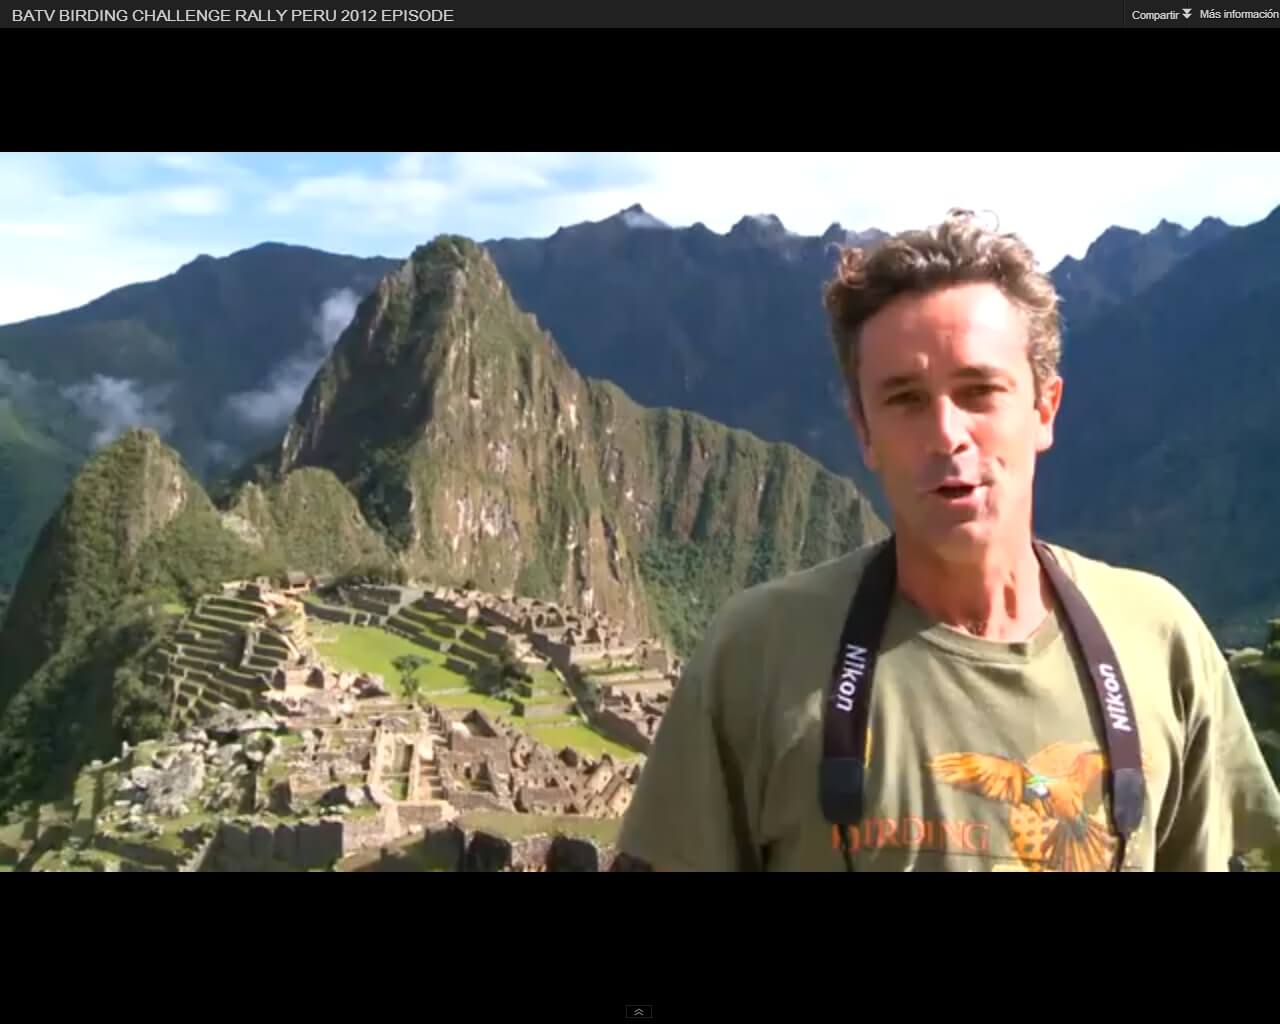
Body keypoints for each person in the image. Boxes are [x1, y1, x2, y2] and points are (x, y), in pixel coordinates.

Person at [615, 208, 1280, 872]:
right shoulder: (757, 659)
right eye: (905, 399)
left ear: (1044, 408)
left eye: (979, 391)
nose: (946, 434)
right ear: (864, 431)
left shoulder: (1160, 642)